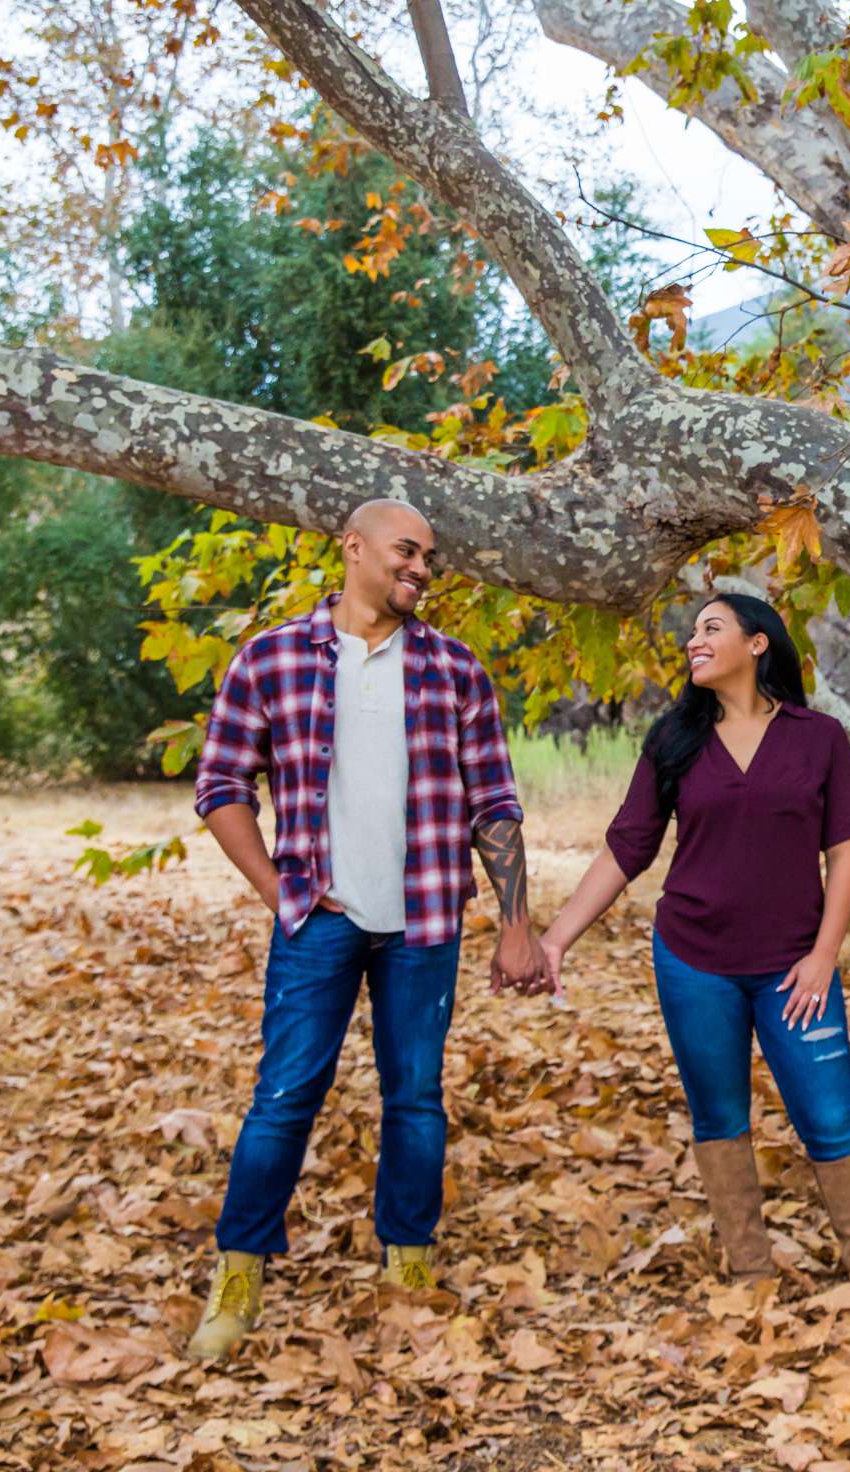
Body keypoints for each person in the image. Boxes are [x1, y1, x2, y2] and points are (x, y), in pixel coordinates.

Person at [183, 499, 547, 1362]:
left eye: (430, 558)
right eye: (406, 551)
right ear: (353, 549)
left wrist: (518, 924)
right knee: (284, 1097)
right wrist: (281, 892)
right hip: (320, 921)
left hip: (425, 921)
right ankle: (239, 1274)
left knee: (415, 1097)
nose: (421, 568)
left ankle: (408, 1264)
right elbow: (221, 785)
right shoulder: (271, 659)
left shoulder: (456, 669)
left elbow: (494, 803)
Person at [534, 593, 850, 1284]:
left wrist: (823, 957)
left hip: (795, 967)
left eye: (711, 628)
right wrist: (556, 939)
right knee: (720, 1115)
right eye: (692, 631)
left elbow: (844, 852)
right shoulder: (675, 739)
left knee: (830, 1118)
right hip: (695, 961)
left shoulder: (818, 737)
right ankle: (753, 1277)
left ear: (758, 644)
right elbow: (625, 849)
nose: (694, 640)